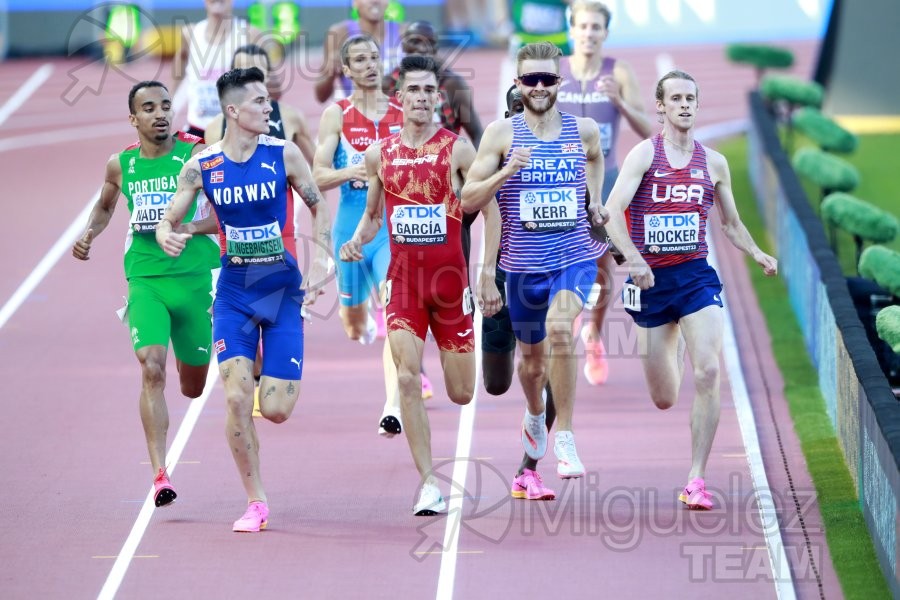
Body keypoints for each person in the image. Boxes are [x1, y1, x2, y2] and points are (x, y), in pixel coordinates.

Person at [156, 66, 331, 532]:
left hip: (280, 288)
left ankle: (274, 378)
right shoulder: (202, 165)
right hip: (233, 291)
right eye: (258, 102)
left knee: (273, 409)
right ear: (233, 110)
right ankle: (256, 502)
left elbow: (317, 203)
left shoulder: (284, 154)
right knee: (236, 398)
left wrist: (320, 260)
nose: (267, 107)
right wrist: (171, 231)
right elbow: (173, 216)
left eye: (267, 100)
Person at [603, 70, 778, 510]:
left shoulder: (713, 163)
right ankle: (673, 340)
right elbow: (611, 211)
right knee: (664, 397)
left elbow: (731, 224)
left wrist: (757, 253)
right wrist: (636, 260)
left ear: (697, 106)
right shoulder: (644, 155)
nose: (684, 105)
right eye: (676, 98)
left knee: (709, 372)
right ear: (660, 106)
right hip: (652, 284)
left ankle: (696, 479)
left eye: (690, 98)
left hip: (696, 276)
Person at [340, 55, 495, 515]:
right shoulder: (379, 154)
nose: (424, 98)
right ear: (399, 98)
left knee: (462, 392)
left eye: (431, 91)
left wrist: (485, 270)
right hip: (404, 284)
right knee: (407, 377)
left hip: (451, 286)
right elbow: (371, 217)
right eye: (415, 90)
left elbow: (491, 210)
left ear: (438, 99)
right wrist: (354, 242)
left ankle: (433, 469)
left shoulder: (458, 150)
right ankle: (429, 483)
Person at [462, 42, 609, 480]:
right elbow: (467, 197)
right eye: (531, 80)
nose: (540, 87)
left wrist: (595, 200)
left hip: (574, 257)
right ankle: (533, 411)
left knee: (561, 329)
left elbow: (596, 159)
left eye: (548, 79)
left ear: (559, 81)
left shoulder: (583, 130)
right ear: (518, 84)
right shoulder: (501, 136)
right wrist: (506, 172)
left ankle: (565, 435)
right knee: (530, 366)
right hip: (523, 269)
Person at [72, 81, 220, 508]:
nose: (160, 114)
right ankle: (160, 474)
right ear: (133, 119)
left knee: (192, 387)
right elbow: (105, 205)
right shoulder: (121, 164)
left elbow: (222, 209)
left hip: (195, 277)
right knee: (151, 367)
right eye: (149, 108)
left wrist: (192, 227)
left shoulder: (194, 155)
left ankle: (191, 363)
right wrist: (89, 234)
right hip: (146, 279)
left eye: (166, 106)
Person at [556, 1, 653, 386]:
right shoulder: (555, 71)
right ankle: (560, 323)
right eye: (583, 26)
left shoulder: (619, 72)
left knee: (601, 269)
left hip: (605, 184)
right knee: (553, 262)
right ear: (572, 29)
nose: (589, 33)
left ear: (605, 33)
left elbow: (650, 130)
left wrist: (620, 102)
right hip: (559, 185)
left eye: (596, 27)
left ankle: (593, 333)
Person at [313, 34, 405, 438]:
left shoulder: (404, 112)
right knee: (353, 326)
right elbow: (316, 176)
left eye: (374, 57)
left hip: (391, 230)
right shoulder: (336, 115)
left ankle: (393, 406)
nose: (370, 64)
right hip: (350, 232)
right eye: (360, 60)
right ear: (346, 70)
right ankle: (361, 319)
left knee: (397, 308)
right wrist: (351, 172)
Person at [478, 85, 556, 500]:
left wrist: (620, 250)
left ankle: (528, 469)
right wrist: (477, 276)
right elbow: (464, 214)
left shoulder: (560, 158)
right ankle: (531, 410)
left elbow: (589, 210)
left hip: (544, 284)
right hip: (500, 284)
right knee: (495, 384)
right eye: (514, 109)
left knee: (547, 375)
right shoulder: (492, 156)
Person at [205, 44, 316, 166]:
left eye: (256, 72)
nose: (249, 79)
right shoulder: (215, 128)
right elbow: (211, 177)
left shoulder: (291, 118)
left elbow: (318, 168)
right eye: (243, 71)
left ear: (268, 76)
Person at [382, 21, 484, 148]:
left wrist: (476, 165)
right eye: (416, 42)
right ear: (403, 45)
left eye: (430, 43)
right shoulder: (388, 84)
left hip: (445, 162)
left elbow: (477, 134)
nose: (423, 48)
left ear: (436, 48)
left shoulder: (453, 84)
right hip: (400, 162)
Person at [172, 0, 263, 137]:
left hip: (235, 130)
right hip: (198, 127)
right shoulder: (190, 33)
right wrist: (170, 101)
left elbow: (265, 82)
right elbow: (180, 63)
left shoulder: (250, 34)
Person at [315, 0, 407, 103]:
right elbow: (321, 97)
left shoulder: (405, 32)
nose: (374, 1)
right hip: (358, 114)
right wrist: (331, 74)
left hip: (397, 114)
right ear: (354, 2)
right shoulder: (339, 33)